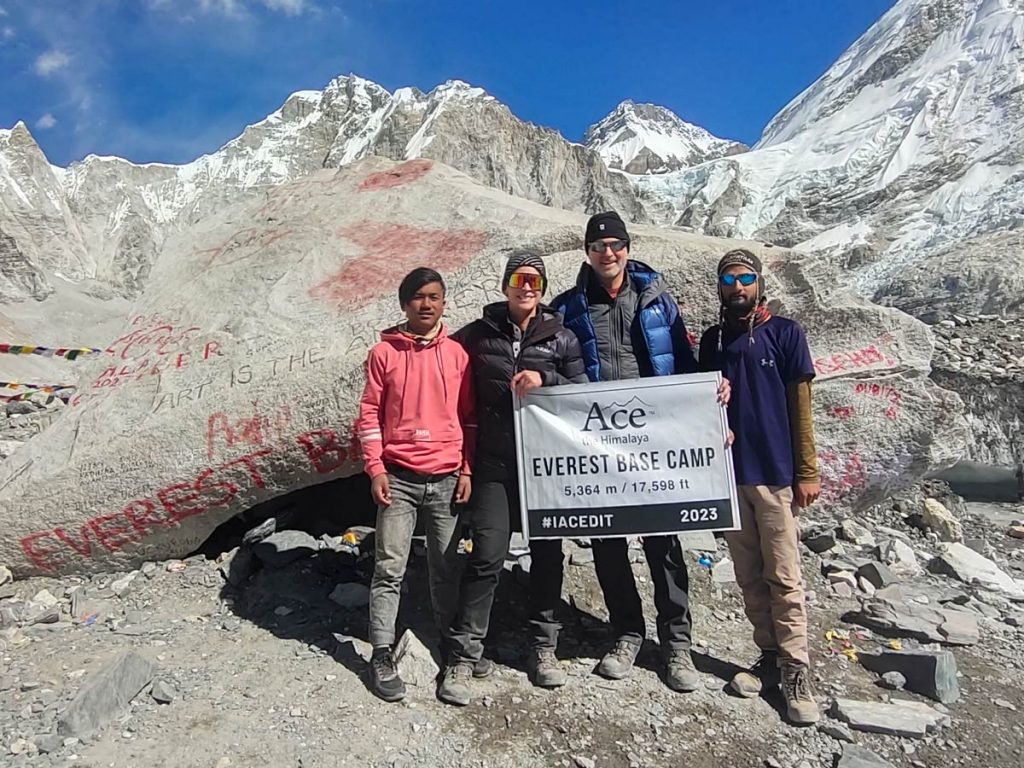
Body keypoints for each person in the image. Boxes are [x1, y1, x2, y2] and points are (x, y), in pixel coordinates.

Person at [550, 211, 726, 693]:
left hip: (653, 444)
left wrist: (708, 404)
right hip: (597, 446)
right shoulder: (567, 307)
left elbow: (685, 364)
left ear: (629, 247)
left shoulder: (657, 301)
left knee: (663, 544)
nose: (609, 253)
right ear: (586, 252)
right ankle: (627, 632)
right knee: (607, 544)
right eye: (599, 245)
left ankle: (677, 644)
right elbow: (555, 370)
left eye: (616, 244)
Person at [438, 251, 587, 706]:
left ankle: (543, 648)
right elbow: (442, 365)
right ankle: (464, 654)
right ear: (505, 285)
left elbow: (583, 395)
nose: (528, 286)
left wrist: (546, 380)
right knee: (486, 555)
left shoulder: (562, 338)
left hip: (545, 467)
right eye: (520, 278)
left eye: (536, 280)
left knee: (547, 556)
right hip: (494, 465)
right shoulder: (478, 336)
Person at [697, 248, 821, 725]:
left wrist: (807, 471)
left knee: (785, 576)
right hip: (729, 476)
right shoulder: (713, 341)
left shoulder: (786, 333)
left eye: (745, 278)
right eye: (729, 279)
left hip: (774, 475)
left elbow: (801, 406)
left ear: (759, 282)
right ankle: (768, 657)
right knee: (749, 575)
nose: (738, 287)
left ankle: (796, 670)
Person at [355, 267, 476, 702]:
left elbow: (468, 418)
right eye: (419, 297)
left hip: (446, 479)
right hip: (399, 479)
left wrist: (466, 470)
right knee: (390, 567)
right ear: (404, 303)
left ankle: (451, 643)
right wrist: (376, 469)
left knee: (446, 567)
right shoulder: (382, 355)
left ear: (445, 303)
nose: (427, 304)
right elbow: (369, 414)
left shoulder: (459, 356)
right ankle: (382, 652)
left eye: (435, 297)